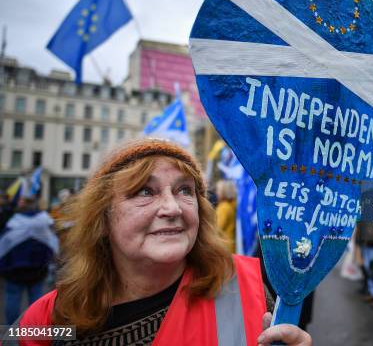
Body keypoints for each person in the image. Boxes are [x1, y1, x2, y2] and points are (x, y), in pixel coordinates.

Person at [14, 138, 311, 346]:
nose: (172, 208)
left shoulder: (251, 289)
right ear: (102, 219)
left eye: (185, 190)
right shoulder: (49, 319)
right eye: (145, 192)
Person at [0, 196, 58, 324]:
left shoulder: (13, 224)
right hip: (38, 268)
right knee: (37, 300)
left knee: (12, 299)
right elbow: (53, 244)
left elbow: (3, 246)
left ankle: (11, 329)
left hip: (13, 269)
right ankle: (34, 328)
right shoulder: (44, 223)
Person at [215, 180, 238, 253]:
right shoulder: (232, 205)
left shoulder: (224, 208)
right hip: (230, 245)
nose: (216, 193)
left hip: (223, 247)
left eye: (218, 190)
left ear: (223, 192)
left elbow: (216, 229)